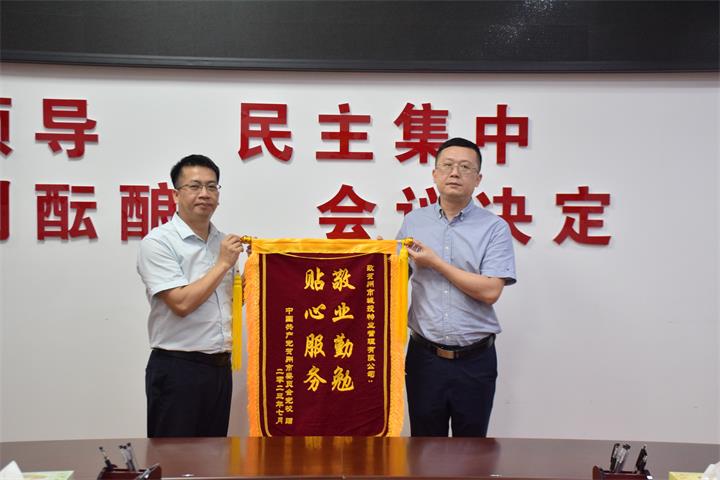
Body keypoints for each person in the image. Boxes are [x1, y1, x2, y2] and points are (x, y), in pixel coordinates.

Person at [396, 137, 516, 437]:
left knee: (472, 451)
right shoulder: (414, 222)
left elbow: (490, 291)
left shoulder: (494, 228)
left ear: (478, 179)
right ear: (435, 174)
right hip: (424, 358)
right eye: (447, 165)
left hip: (475, 360)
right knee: (424, 448)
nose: (454, 173)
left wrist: (436, 263)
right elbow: (395, 278)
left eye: (465, 167)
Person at [137, 154, 245, 437]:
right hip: (178, 370)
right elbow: (181, 303)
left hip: (219, 369)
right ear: (176, 194)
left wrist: (252, 284)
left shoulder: (223, 242)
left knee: (214, 457)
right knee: (174, 458)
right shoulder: (159, 242)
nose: (205, 194)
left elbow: (229, 302)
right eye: (195, 186)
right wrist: (223, 264)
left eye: (212, 187)